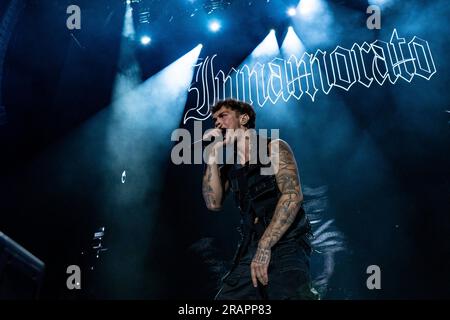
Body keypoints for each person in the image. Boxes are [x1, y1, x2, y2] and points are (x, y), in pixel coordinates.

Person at [202, 98, 318, 300]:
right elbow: (213, 203)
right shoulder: (230, 168)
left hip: (286, 244)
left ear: (244, 118)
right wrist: (211, 158)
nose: (217, 123)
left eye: (223, 116)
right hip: (251, 249)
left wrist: (265, 247)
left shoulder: (273, 147)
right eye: (214, 120)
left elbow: (292, 197)